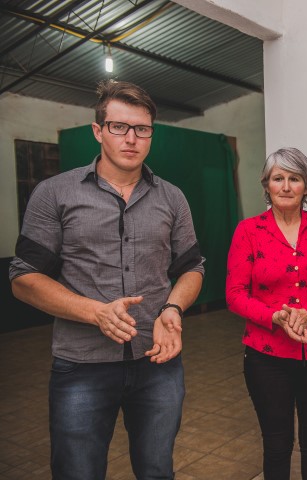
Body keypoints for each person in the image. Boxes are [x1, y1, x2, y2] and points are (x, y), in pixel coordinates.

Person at [9, 80, 204, 479]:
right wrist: (95, 312)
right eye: (119, 127)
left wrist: (173, 308)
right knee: (77, 472)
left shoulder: (172, 198)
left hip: (157, 361)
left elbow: (192, 268)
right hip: (82, 364)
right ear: (98, 131)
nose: (131, 139)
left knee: (156, 470)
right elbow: (24, 277)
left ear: (151, 134)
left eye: (142, 129)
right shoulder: (55, 193)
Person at [226, 147, 307, 480]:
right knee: (277, 444)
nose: (285, 186)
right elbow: (235, 295)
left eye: (294, 179)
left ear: (306, 186)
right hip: (266, 358)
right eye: (277, 178)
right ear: (266, 184)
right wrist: (274, 317)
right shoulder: (249, 231)